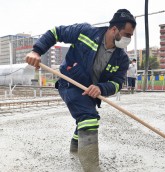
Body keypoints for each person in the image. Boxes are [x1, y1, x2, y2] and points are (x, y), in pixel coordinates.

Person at [25, 9, 136, 171]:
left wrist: (101, 88)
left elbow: (118, 83)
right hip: (70, 83)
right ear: (114, 30)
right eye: (127, 35)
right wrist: (36, 51)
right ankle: (91, 167)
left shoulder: (122, 59)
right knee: (89, 118)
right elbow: (56, 32)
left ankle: (75, 145)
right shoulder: (86, 32)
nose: (128, 39)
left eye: (131, 36)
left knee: (86, 117)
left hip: (91, 92)